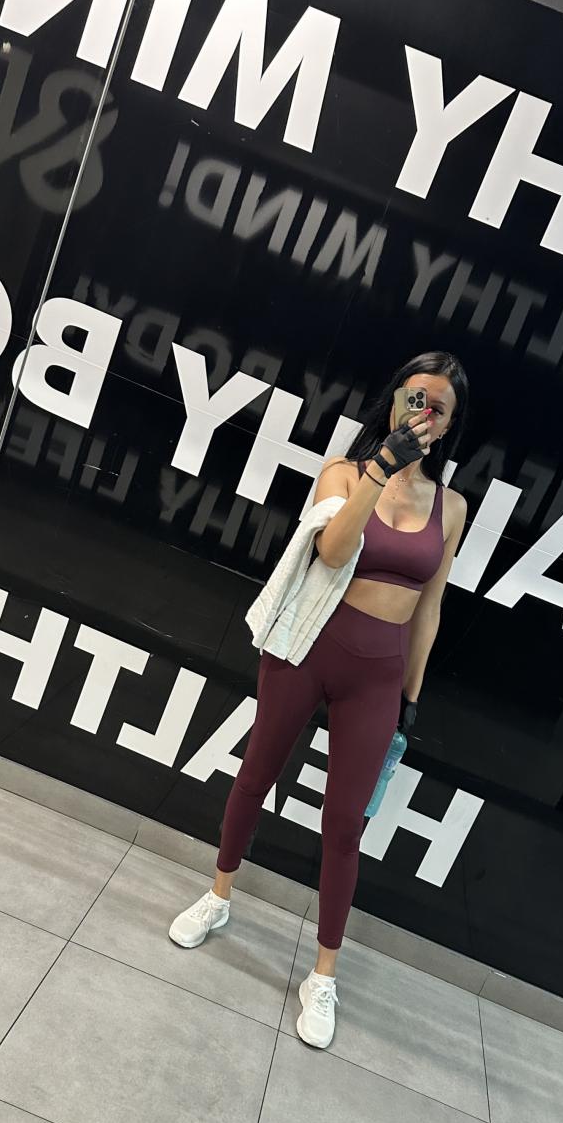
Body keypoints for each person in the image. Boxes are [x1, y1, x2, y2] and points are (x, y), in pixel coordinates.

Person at [169, 351, 470, 1048]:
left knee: (343, 825)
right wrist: (381, 469)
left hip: (379, 674)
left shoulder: (452, 508)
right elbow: (333, 551)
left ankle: (324, 974)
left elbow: (429, 608)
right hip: (306, 647)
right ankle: (218, 895)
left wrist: (411, 696)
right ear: (393, 401)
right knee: (256, 775)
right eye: (414, 397)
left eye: (438, 407)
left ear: (449, 425)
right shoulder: (343, 472)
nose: (423, 413)